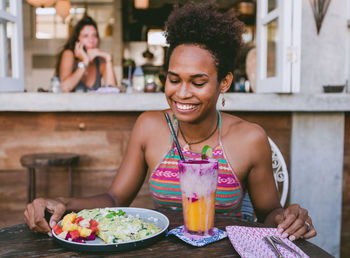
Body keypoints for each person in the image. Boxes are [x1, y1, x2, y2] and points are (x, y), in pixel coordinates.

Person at [25, 2, 316, 241]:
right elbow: (114, 199)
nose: (182, 92)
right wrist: (62, 203)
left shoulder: (250, 138)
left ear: (224, 82)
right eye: (173, 79)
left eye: (198, 82)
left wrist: (290, 217)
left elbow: (268, 213)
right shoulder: (150, 127)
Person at [55, 15, 117, 92]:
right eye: (85, 36)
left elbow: (113, 92)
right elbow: (64, 88)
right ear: (78, 40)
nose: (91, 40)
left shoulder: (100, 61)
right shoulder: (69, 54)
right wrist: (84, 62)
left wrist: (108, 58)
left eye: (94, 35)